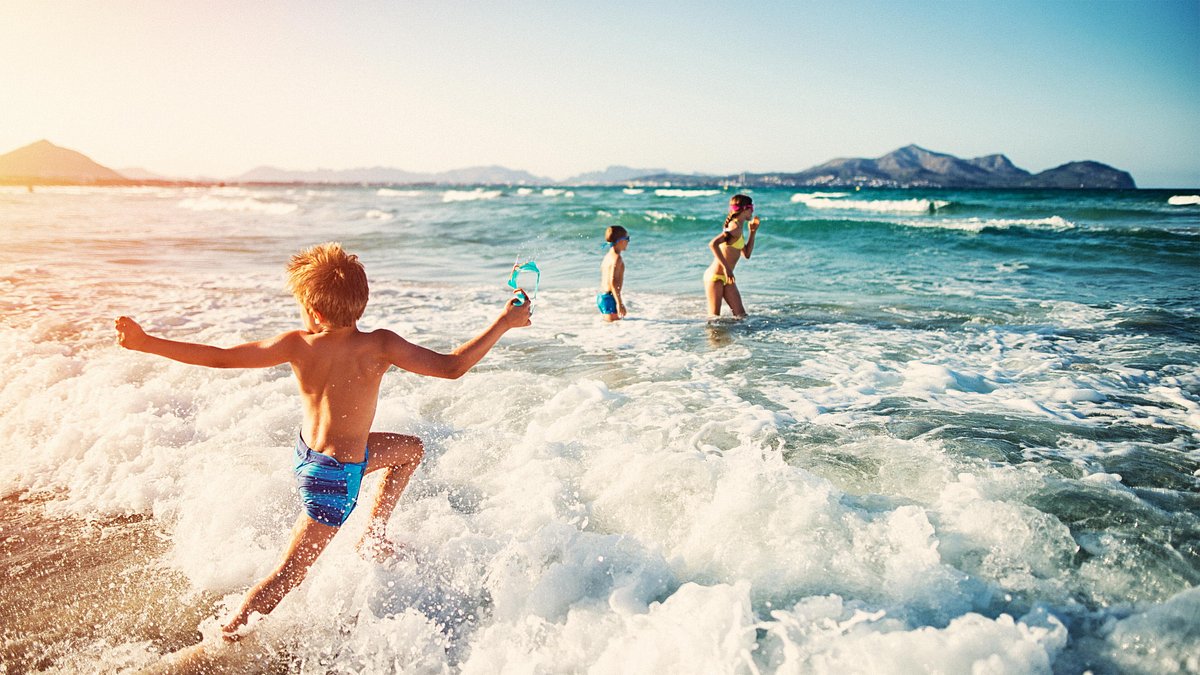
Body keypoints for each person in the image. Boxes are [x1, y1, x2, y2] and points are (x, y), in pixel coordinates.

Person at [113, 242, 531, 640]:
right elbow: (453, 366)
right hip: (336, 478)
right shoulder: (380, 344)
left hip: (310, 457)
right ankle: (227, 637)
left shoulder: (297, 344)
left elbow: (221, 357)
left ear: (312, 310)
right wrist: (505, 322)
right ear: (361, 302)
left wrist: (146, 343)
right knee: (288, 575)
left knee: (410, 450)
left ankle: (374, 534)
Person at [704, 194, 760, 318]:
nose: (753, 211)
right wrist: (727, 268)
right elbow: (713, 244)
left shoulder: (739, 228)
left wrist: (752, 232)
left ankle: (733, 338)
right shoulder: (734, 227)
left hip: (727, 279)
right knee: (714, 320)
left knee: (741, 317)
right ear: (745, 209)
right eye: (752, 207)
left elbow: (746, 254)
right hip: (716, 277)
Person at [597, 225, 629, 321]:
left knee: (610, 330)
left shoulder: (607, 256)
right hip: (610, 298)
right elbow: (613, 282)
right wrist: (619, 303)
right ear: (620, 241)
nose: (628, 242)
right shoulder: (617, 258)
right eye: (627, 238)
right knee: (615, 332)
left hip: (602, 297)